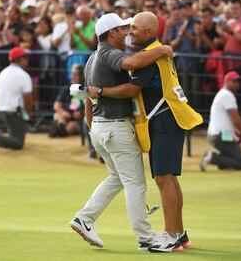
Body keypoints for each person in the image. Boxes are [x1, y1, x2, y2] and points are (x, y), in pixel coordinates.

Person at [88, 12, 203, 252]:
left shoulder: (148, 56)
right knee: (167, 178)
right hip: (166, 120)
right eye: (127, 29)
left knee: (164, 178)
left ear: (149, 33)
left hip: (164, 120)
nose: (130, 32)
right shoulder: (154, 52)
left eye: (135, 29)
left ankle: (171, 236)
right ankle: (179, 234)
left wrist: (100, 91)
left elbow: (131, 88)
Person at [69, 13, 177, 252]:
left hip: (99, 127)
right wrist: (160, 51)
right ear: (112, 33)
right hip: (115, 127)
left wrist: (92, 132)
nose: (127, 31)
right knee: (135, 184)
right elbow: (131, 65)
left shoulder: (91, 59)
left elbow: (89, 98)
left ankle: (84, 219)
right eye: (123, 28)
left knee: (116, 178)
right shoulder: (109, 53)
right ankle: (146, 238)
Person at [0, 47, 33, 151]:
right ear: (19, 59)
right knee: (18, 143)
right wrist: (27, 115)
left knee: (17, 130)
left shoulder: (3, 72)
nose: (27, 60)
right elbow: (28, 99)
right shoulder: (23, 75)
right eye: (25, 57)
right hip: (12, 113)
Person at [200, 71, 241, 171]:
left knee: (234, 157)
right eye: (234, 81)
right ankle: (211, 157)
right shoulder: (227, 95)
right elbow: (236, 120)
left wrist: (240, 135)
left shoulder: (223, 94)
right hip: (220, 136)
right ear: (226, 82)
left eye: (238, 82)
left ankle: (222, 163)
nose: (237, 84)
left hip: (218, 135)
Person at [49, 64, 83, 138]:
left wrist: (81, 114)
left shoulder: (85, 90)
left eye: (76, 74)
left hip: (77, 120)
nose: (72, 76)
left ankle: (59, 131)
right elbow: (56, 105)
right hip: (65, 116)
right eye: (72, 74)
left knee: (72, 125)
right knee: (57, 116)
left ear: (82, 76)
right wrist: (63, 113)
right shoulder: (66, 89)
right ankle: (58, 127)